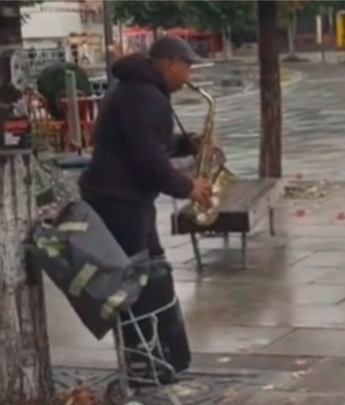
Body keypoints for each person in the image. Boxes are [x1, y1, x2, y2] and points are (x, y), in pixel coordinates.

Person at [78, 36, 212, 383]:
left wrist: (185, 143)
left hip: (126, 200)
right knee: (134, 284)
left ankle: (157, 358)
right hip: (119, 202)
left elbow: (149, 144)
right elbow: (147, 158)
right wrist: (188, 187)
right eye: (188, 67)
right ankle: (142, 366)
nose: (189, 77)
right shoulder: (144, 95)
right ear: (170, 63)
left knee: (150, 276)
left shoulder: (139, 90)